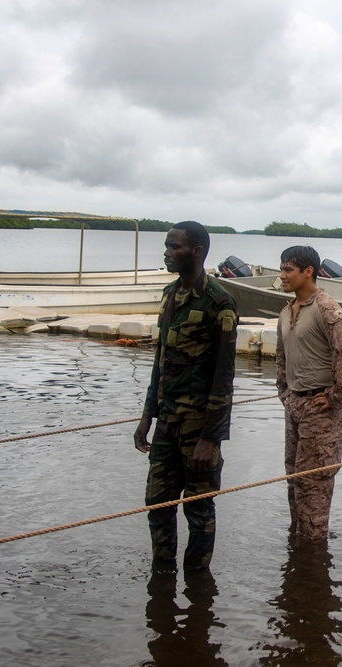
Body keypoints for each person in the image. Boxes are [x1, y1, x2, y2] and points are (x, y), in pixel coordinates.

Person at [134, 221, 239, 575]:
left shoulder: (219, 302)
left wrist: (211, 438)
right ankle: (162, 576)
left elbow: (224, 377)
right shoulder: (169, 295)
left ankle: (197, 578)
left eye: (173, 247)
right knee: (157, 503)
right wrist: (147, 415)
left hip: (198, 427)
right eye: (166, 246)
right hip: (166, 422)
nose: (167, 252)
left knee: (198, 508)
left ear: (195, 251)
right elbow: (160, 361)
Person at [275, 245, 342, 541]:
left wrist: (336, 398)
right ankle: (298, 540)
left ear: (308, 271)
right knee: (293, 476)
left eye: (288, 270)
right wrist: (285, 392)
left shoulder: (326, 308)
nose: (282, 275)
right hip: (295, 404)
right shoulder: (286, 312)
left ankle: (314, 544)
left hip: (321, 408)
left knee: (314, 481)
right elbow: (281, 356)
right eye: (282, 269)